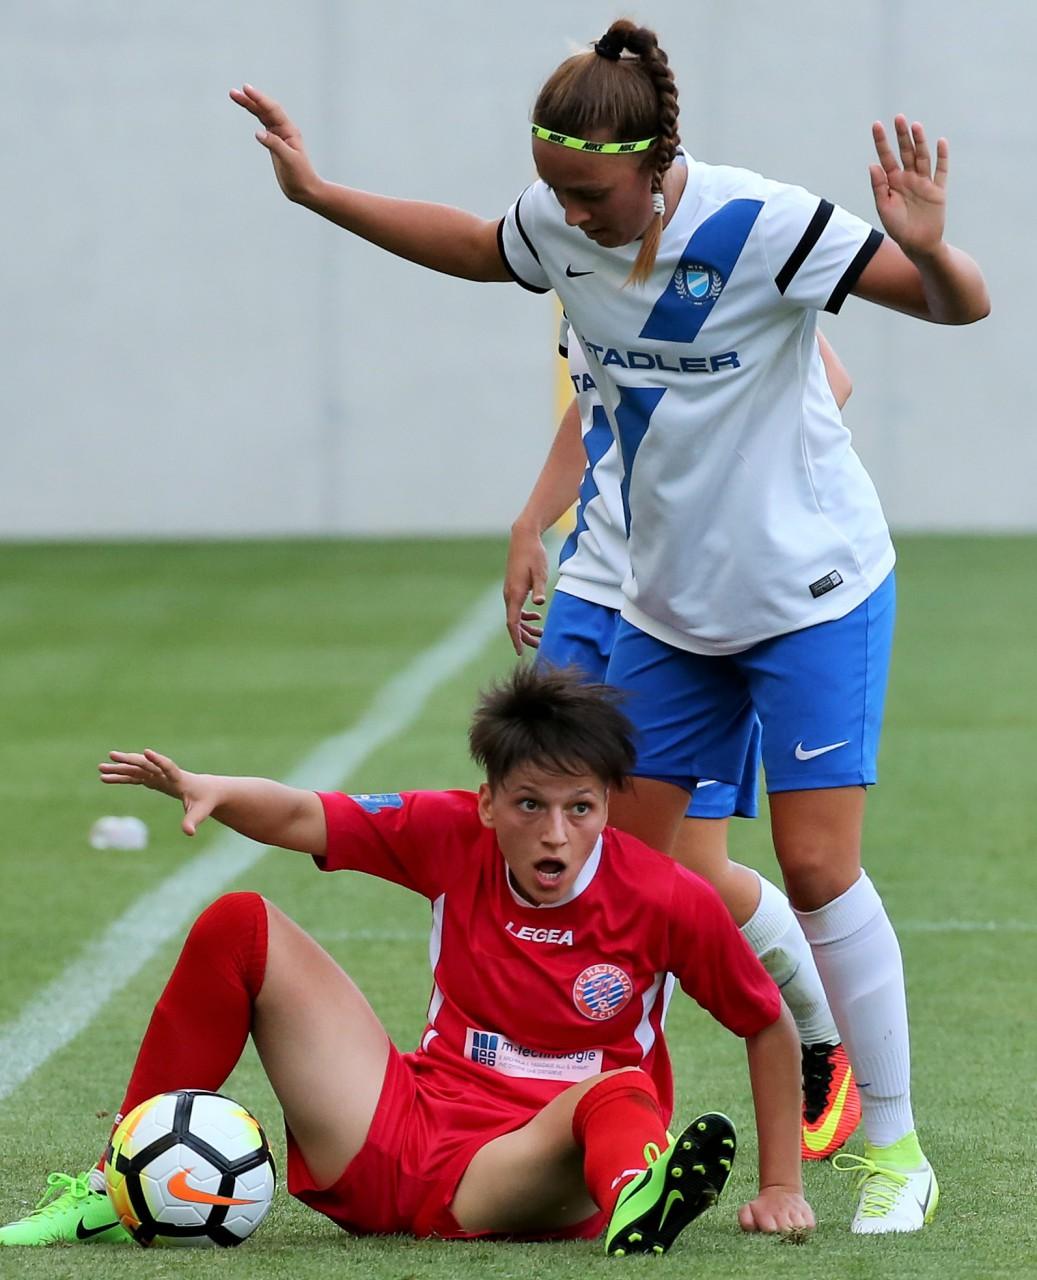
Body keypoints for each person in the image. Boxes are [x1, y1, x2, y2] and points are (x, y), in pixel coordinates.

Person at [229, 19, 989, 1231]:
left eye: (589, 194)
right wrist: (318, 194)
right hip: (669, 608)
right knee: (635, 873)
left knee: (812, 865)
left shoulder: (759, 224)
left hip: (812, 593)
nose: (567, 217)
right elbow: (475, 246)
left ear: (656, 163)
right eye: (553, 192)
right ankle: (628, 1111)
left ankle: (893, 1145)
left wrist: (931, 250)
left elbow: (956, 309)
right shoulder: (559, 226)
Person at [0, 667, 813, 1251]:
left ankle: (637, 1197)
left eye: (579, 808)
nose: (555, 833)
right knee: (238, 923)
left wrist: (779, 1188)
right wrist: (213, 787)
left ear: (607, 806)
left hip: (534, 1170)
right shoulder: (449, 833)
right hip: (402, 1132)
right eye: (529, 805)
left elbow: (764, 1022)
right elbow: (306, 815)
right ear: (488, 803)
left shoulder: (667, 897)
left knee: (621, 1092)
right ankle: (113, 1185)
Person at [505, 322, 860, 1163]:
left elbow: (828, 383)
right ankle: (556, 1083)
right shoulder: (577, 268)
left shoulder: (717, 268)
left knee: (680, 868)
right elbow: (597, 404)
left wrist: (717, 489)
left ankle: (820, 1039)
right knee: (545, 841)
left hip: (690, 605)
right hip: (592, 594)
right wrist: (531, 522)